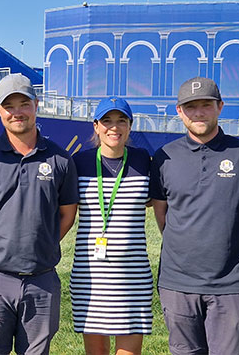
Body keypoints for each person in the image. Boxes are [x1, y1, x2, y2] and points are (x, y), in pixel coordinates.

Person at [149, 76, 239, 355]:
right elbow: (162, 213)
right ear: (179, 111)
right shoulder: (164, 157)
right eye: (191, 106)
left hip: (228, 284)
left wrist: (233, 249)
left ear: (220, 107)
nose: (199, 112)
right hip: (177, 283)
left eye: (206, 104)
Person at [0, 73, 79, 355]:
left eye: (23, 103)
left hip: (42, 280)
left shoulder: (60, 159)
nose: (17, 112)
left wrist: (43, 241)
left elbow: (67, 214)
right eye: (9, 105)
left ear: (36, 105)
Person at [70, 97, 153, 355]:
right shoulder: (79, 162)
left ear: (130, 126)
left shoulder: (144, 161)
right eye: (107, 121)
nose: (113, 127)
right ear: (96, 126)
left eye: (121, 121)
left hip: (133, 276)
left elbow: (155, 202)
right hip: (90, 276)